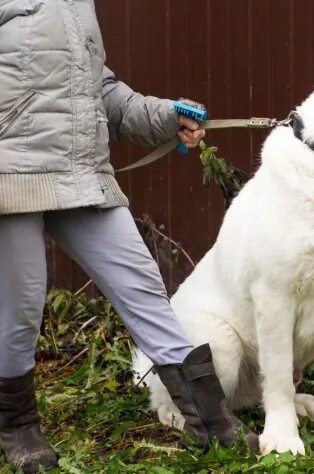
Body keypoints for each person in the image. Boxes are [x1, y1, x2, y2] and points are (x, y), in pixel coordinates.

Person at [0, 1, 258, 472]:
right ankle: (18, 426)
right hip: (10, 176)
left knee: (142, 285)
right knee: (21, 305)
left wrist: (163, 116)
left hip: (81, 174)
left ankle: (211, 420)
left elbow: (100, 90)